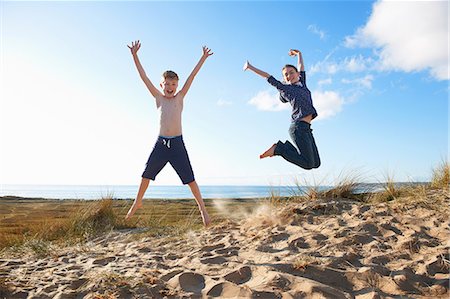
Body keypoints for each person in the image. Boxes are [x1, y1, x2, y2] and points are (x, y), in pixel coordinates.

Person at [125, 40, 212, 226]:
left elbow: (192, 77)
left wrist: (202, 58)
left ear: (177, 85)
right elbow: (144, 77)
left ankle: (203, 210)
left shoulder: (180, 97)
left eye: (173, 84)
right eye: (167, 84)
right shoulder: (158, 98)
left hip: (178, 144)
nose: (170, 87)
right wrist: (135, 55)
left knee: (190, 179)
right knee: (146, 174)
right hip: (161, 144)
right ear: (162, 85)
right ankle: (137, 202)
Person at [243, 49, 321, 170]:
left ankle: (282, 147)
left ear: (298, 74)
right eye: (286, 75)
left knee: (316, 163)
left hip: (307, 129)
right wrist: (250, 67)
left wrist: (299, 54)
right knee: (308, 164)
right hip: (298, 128)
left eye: (291, 72)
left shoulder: (303, 83)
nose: (289, 75)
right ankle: (278, 149)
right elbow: (268, 77)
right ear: (285, 79)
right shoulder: (286, 89)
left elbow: (301, 66)